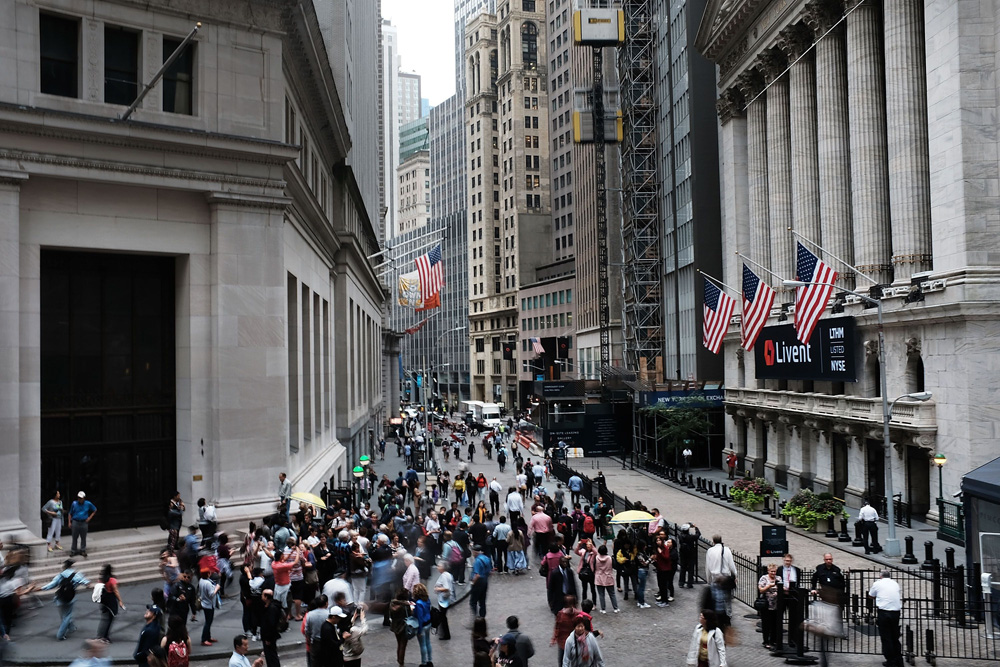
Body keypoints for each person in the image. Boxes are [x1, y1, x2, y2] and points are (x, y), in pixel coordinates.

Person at [40, 559, 89, 640]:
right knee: (66, 616)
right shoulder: (77, 575)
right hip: (70, 598)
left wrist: (40, 588)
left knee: (64, 615)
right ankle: (60, 635)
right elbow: (86, 582)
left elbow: (51, 585)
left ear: (64, 567)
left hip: (60, 598)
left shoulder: (60, 575)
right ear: (71, 566)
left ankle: (71, 627)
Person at [869, 570, 903, 667]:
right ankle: (898, 659)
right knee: (894, 636)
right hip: (896, 612)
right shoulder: (895, 583)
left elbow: (871, 595)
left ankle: (891, 660)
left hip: (884, 612)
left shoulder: (877, 584)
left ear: (881, 576)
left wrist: (879, 597)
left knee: (886, 637)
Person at [705, 535, 737, 626]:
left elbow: (708, 566)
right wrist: (735, 575)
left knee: (716, 596)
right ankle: (728, 616)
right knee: (727, 598)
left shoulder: (710, 551)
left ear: (713, 541)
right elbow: (731, 564)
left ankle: (718, 614)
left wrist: (708, 579)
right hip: (726, 577)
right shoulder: (726, 550)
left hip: (715, 577)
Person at [775, 553, 802, 651]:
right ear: (783, 560)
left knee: (793, 618)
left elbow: (798, 582)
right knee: (779, 616)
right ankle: (777, 639)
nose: (788, 562)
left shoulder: (797, 570)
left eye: (789, 561)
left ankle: (793, 639)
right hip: (782, 594)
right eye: (786, 561)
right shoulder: (779, 570)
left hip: (793, 594)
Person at [95, 563, 125, 643]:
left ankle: (101, 635)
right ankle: (104, 636)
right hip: (110, 601)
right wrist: (120, 601)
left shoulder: (101, 579)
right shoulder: (112, 580)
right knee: (109, 619)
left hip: (103, 600)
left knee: (104, 618)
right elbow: (115, 591)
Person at [757, 563, 780, 650]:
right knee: (766, 624)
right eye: (772, 572)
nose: (773, 573)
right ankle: (766, 641)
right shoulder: (764, 578)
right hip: (767, 605)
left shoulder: (778, 578)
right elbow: (761, 590)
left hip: (776, 604)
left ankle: (773, 640)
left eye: (774, 571)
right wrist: (769, 586)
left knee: (775, 624)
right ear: (768, 571)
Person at [259, 589, 283, 667]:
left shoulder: (272, 609)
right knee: (270, 655)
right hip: (268, 635)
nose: (261, 596)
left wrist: (268, 638)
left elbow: (271, 625)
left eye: (262, 595)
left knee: (271, 655)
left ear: (266, 597)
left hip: (269, 637)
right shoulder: (269, 606)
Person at [388, 589, 412, 667]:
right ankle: (401, 661)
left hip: (395, 626)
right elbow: (409, 615)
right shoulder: (406, 605)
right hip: (404, 626)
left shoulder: (393, 604)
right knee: (403, 644)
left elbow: (391, 615)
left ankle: (399, 659)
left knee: (399, 643)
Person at [69, 491, 97, 557]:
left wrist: (90, 518)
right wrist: (69, 522)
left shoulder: (88, 504)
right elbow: (70, 513)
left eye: (81, 498)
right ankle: (73, 550)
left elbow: (94, 510)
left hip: (84, 522)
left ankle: (83, 550)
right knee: (74, 537)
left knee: (83, 537)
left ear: (84, 498)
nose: (79, 499)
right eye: (78, 498)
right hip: (75, 521)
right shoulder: (74, 503)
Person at [653, 535, 678, 607]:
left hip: (665, 569)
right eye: (657, 541)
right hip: (660, 568)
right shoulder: (658, 548)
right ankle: (662, 600)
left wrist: (660, 552)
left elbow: (667, 558)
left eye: (659, 540)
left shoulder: (665, 548)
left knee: (664, 585)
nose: (658, 542)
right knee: (661, 585)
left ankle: (665, 601)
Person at [433, 560, 455, 641]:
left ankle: (445, 634)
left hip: (443, 600)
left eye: (439, 566)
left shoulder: (444, 576)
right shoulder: (448, 575)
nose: (438, 568)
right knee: (443, 616)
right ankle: (443, 632)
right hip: (446, 599)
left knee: (442, 617)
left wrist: (437, 589)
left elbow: (446, 587)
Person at [593, 544, 618, 614]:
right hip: (608, 577)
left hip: (599, 578)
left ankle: (603, 609)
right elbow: (615, 566)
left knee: (601, 594)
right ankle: (615, 608)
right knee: (612, 594)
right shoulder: (610, 558)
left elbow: (594, 567)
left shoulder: (596, 558)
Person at [412, 583, 433, 667]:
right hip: (428, 623)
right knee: (428, 642)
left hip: (423, 625)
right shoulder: (427, 600)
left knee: (422, 645)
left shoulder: (419, 603)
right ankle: (429, 660)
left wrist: (419, 630)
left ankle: (423, 662)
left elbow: (420, 618)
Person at [198, 573, 221, 646]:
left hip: (205, 603)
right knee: (208, 622)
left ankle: (208, 637)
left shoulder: (201, 580)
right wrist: (216, 588)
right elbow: (211, 594)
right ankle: (204, 639)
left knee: (209, 621)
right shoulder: (208, 583)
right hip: (209, 605)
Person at [469, 544, 492, 617]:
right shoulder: (486, 558)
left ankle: (474, 617)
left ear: (475, 552)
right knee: (482, 601)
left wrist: (473, 583)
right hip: (485, 581)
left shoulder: (477, 561)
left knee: (473, 601)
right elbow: (490, 571)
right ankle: (482, 616)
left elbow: (477, 575)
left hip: (478, 582)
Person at [678, 523, 701, 589]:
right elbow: (698, 534)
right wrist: (696, 528)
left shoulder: (680, 536)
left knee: (683, 568)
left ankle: (681, 582)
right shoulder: (691, 537)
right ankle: (689, 583)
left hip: (683, 554)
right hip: (690, 554)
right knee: (691, 569)